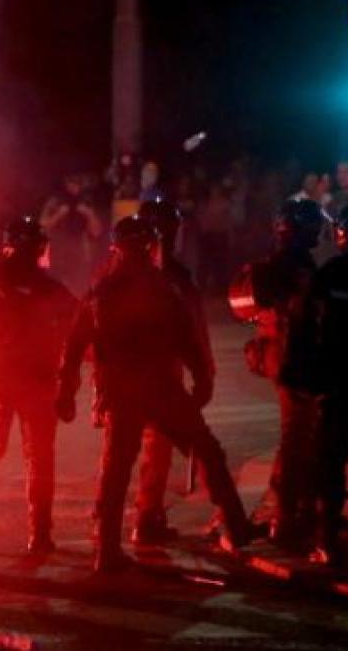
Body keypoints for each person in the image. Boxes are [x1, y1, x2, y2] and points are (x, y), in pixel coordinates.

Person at [57, 216, 262, 572]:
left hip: (126, 391)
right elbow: (187, 337)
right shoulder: (161, 287)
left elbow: (74, 346)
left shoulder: (104, 291)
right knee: (205, 451)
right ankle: (237, 525)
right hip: (158, 388)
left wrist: (67, 390)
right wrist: (202, 379)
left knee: (117, 471)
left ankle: (107, 551)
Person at [0, 217, 77, 562]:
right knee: (39, 459)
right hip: (36, 379)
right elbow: (79, 325)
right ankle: (39, 536)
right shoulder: (49, 287)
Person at [228, 200, 325, 551]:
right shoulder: (294, 265)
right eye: (313, 225)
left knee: (301, 435)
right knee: (296, 438)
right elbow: (302, 315)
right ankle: (285, 518)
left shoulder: (281, 261)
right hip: (292, 359)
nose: (319, 231)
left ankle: (299, 508)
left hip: (281, 356)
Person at [129, 199, 215, 545]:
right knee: (169, 446)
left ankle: (143, 520)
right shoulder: (170, 276)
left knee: (131, 455)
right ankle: (147, 518)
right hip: (158, 378)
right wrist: (204, 371)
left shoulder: (116, 271)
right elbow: (194, 329)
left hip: (132, 378)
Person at [281, 203, 348, 566]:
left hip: (340, 378)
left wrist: (299, 369)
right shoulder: (326, 273)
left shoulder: (330, 274)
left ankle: (325, 539)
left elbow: (303, 326)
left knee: (329, 457)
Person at [39, 175, 104, 295]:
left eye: (78, 182)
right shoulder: (56, 201)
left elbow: (96, 231)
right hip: (58, 252)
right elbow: (42, 225)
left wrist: (89, 214)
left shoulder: (86, 202)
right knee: (56, 288)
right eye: (71, 182)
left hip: (79, 253)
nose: (75, 186)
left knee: (79, 288)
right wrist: (58, 215)